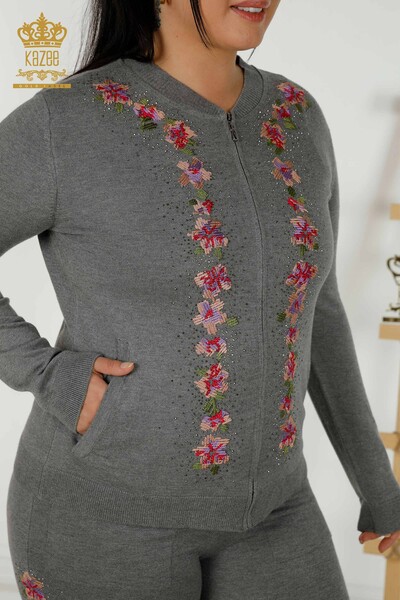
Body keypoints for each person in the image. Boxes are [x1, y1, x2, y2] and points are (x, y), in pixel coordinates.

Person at [2, 0, 400, 598]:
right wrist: (46, 373)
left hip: (277, 510)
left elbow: (317, 309)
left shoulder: (296, 115)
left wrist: (378, 483)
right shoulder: (66, 120)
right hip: (104, 517)